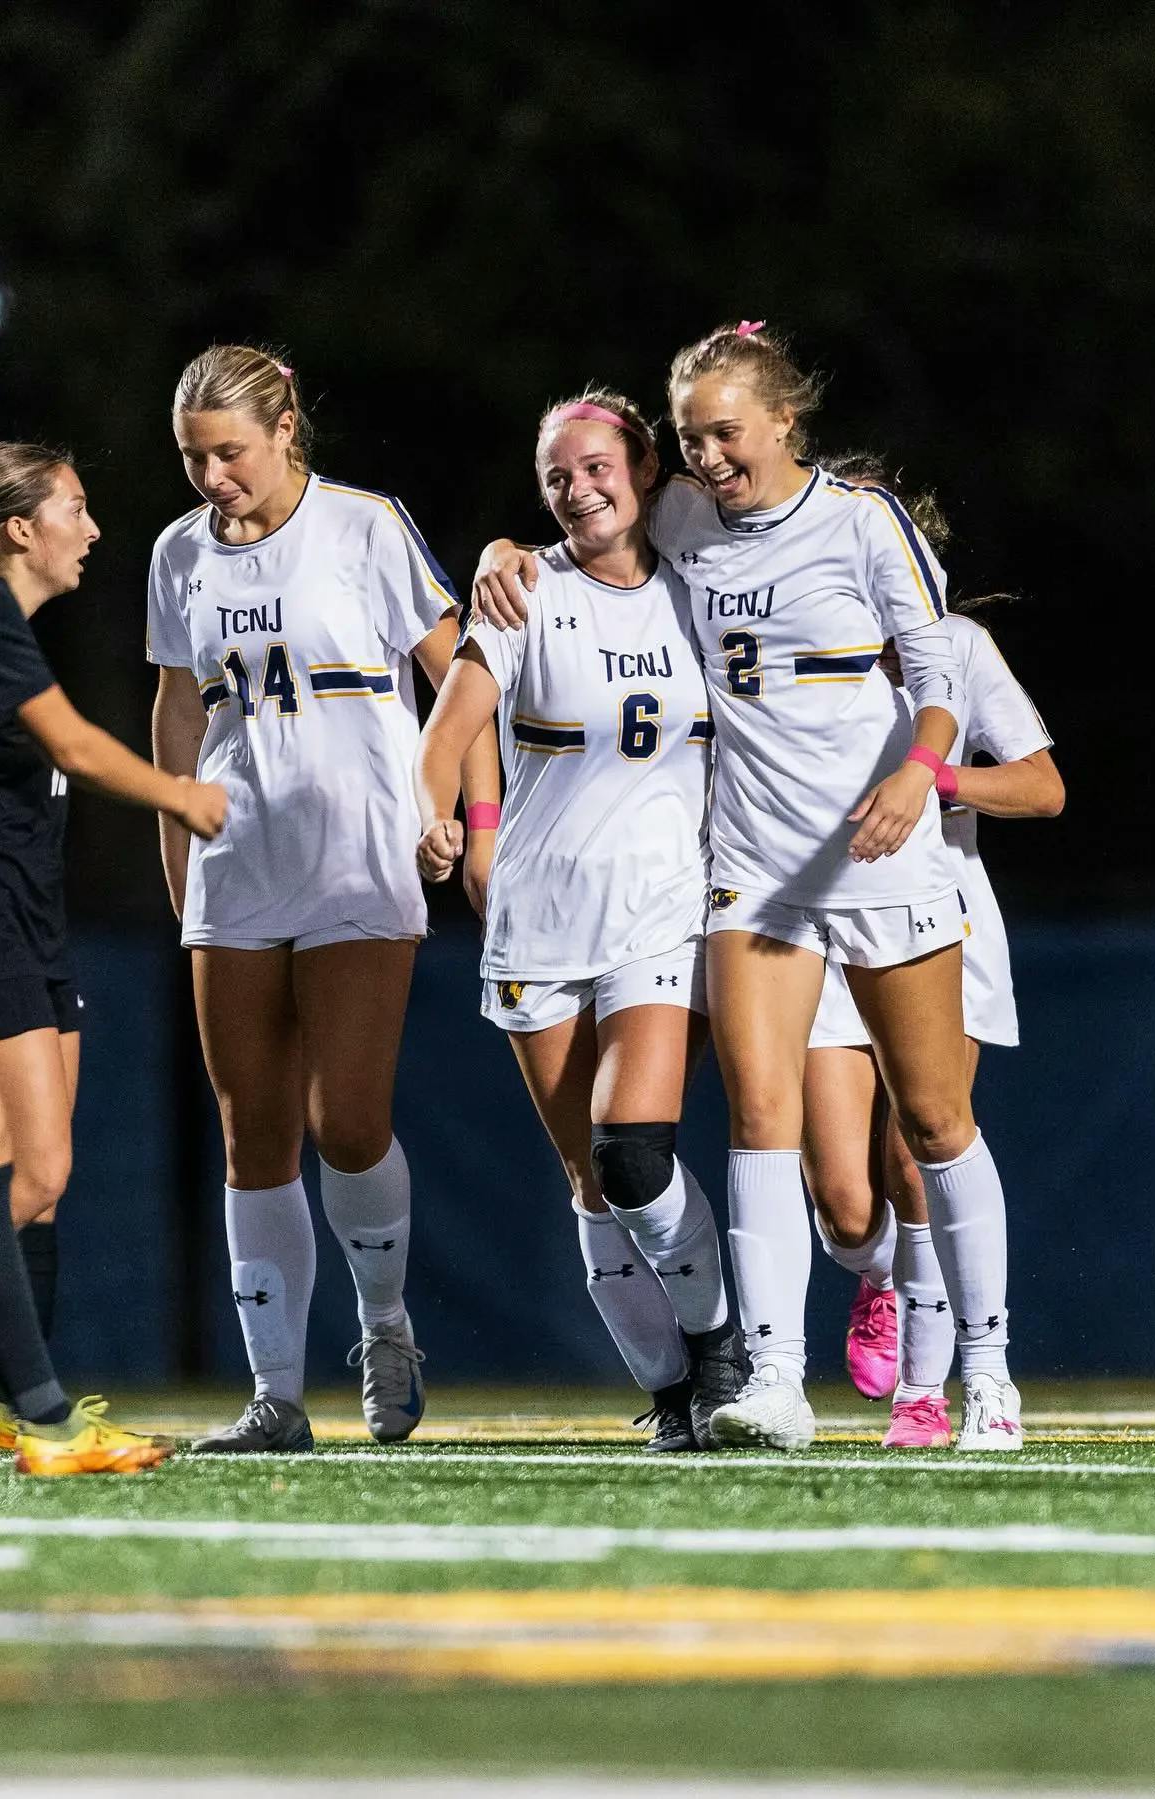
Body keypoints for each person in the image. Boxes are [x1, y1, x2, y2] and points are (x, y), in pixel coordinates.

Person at [477, 323, 1006, 1454]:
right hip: (755, 869)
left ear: (783, 422)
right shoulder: (679, 518)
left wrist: (924, 770)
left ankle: (989, 1378)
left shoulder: (863, 521)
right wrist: (499, 551)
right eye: (692, 438)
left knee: (932, 1120)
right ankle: (772, 1380)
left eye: (729, 433)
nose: (711, 457)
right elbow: (583, 529)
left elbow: (941, 659)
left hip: (882, 849)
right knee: (762, 1123)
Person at [149, 345, 490, 1453]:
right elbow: (175, 715)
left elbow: (464, 676)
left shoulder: (364, 526)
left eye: (230, 453)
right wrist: (178, 851)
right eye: (194, 456)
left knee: (346, 1122)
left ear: (287, 427)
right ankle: (275, 1395)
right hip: (238, 859)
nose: (212, 477)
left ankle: (385, 1325)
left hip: (359, 854)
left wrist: (464, 815)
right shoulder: (177, 553)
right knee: (254, 1132)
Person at [415, 390, 744, 1450]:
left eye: (599, 466)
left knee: (633, 1152)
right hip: (539, 916)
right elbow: (442, 734)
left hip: (664, 912)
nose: (579, 489)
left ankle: (722, 1347)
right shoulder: (522, 593)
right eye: (558, 475)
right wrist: (437, 817)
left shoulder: (705, 583)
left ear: (645, 470)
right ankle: (673, 1390)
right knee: (590, 1183)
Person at [799, 468, 1062, 1446]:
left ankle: (939, 1387)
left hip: (940, 921)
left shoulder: (954, 647)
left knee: (921, 1153)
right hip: (819, 929)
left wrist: (937, 778)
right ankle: (878, 1280)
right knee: (841, 1192)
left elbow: (1044, 787)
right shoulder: (786, 643)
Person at [0, 441, 225, 1473]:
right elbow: (79, 749)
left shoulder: (22, 633)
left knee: (47, 1181)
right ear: (19, 527)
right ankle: (41, 1414)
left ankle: (16, 1414)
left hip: (37, 926)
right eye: (74, 510)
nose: (91, 531)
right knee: (29, 1165)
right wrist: (186, 795)